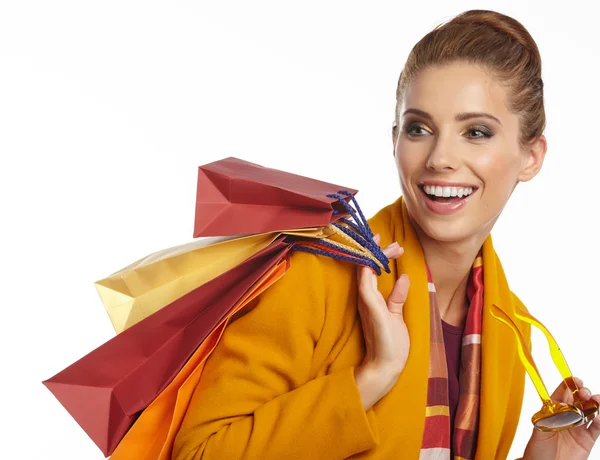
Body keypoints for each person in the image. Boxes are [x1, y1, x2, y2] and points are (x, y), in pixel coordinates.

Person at [172, 9, 600, 459]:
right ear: (395, 139)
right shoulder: (316, 275)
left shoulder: (510, 328)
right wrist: (372, 377)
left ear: (531, 156)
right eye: (419, 129)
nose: (440, 157)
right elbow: (199, 454)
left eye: (476, 132)